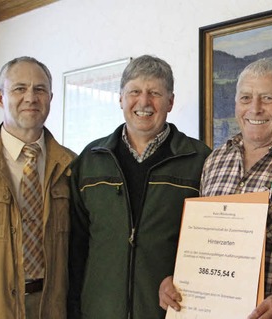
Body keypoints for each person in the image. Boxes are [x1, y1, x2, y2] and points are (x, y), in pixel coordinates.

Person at [158, 59, 272, 319]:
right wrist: (178, 282)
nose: (255, 109)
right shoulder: (214, 161)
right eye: (245, 98)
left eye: (267, 98)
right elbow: (203, 246)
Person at [67, 55, 211, 319]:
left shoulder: (200, 160)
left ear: (170, 101)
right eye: (135, 91)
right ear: (120, 98)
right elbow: (76, 246)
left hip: (170, 311)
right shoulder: (90, 160)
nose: (144, 102)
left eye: (155, 93)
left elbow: (211, 244)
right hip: (99, 311)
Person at [0, 56, 75, 318]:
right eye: (19, 88)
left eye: (40, 89)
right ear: (0, 97)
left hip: (51, 308)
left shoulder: (73, 167)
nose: (31, 97)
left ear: (50, 97)